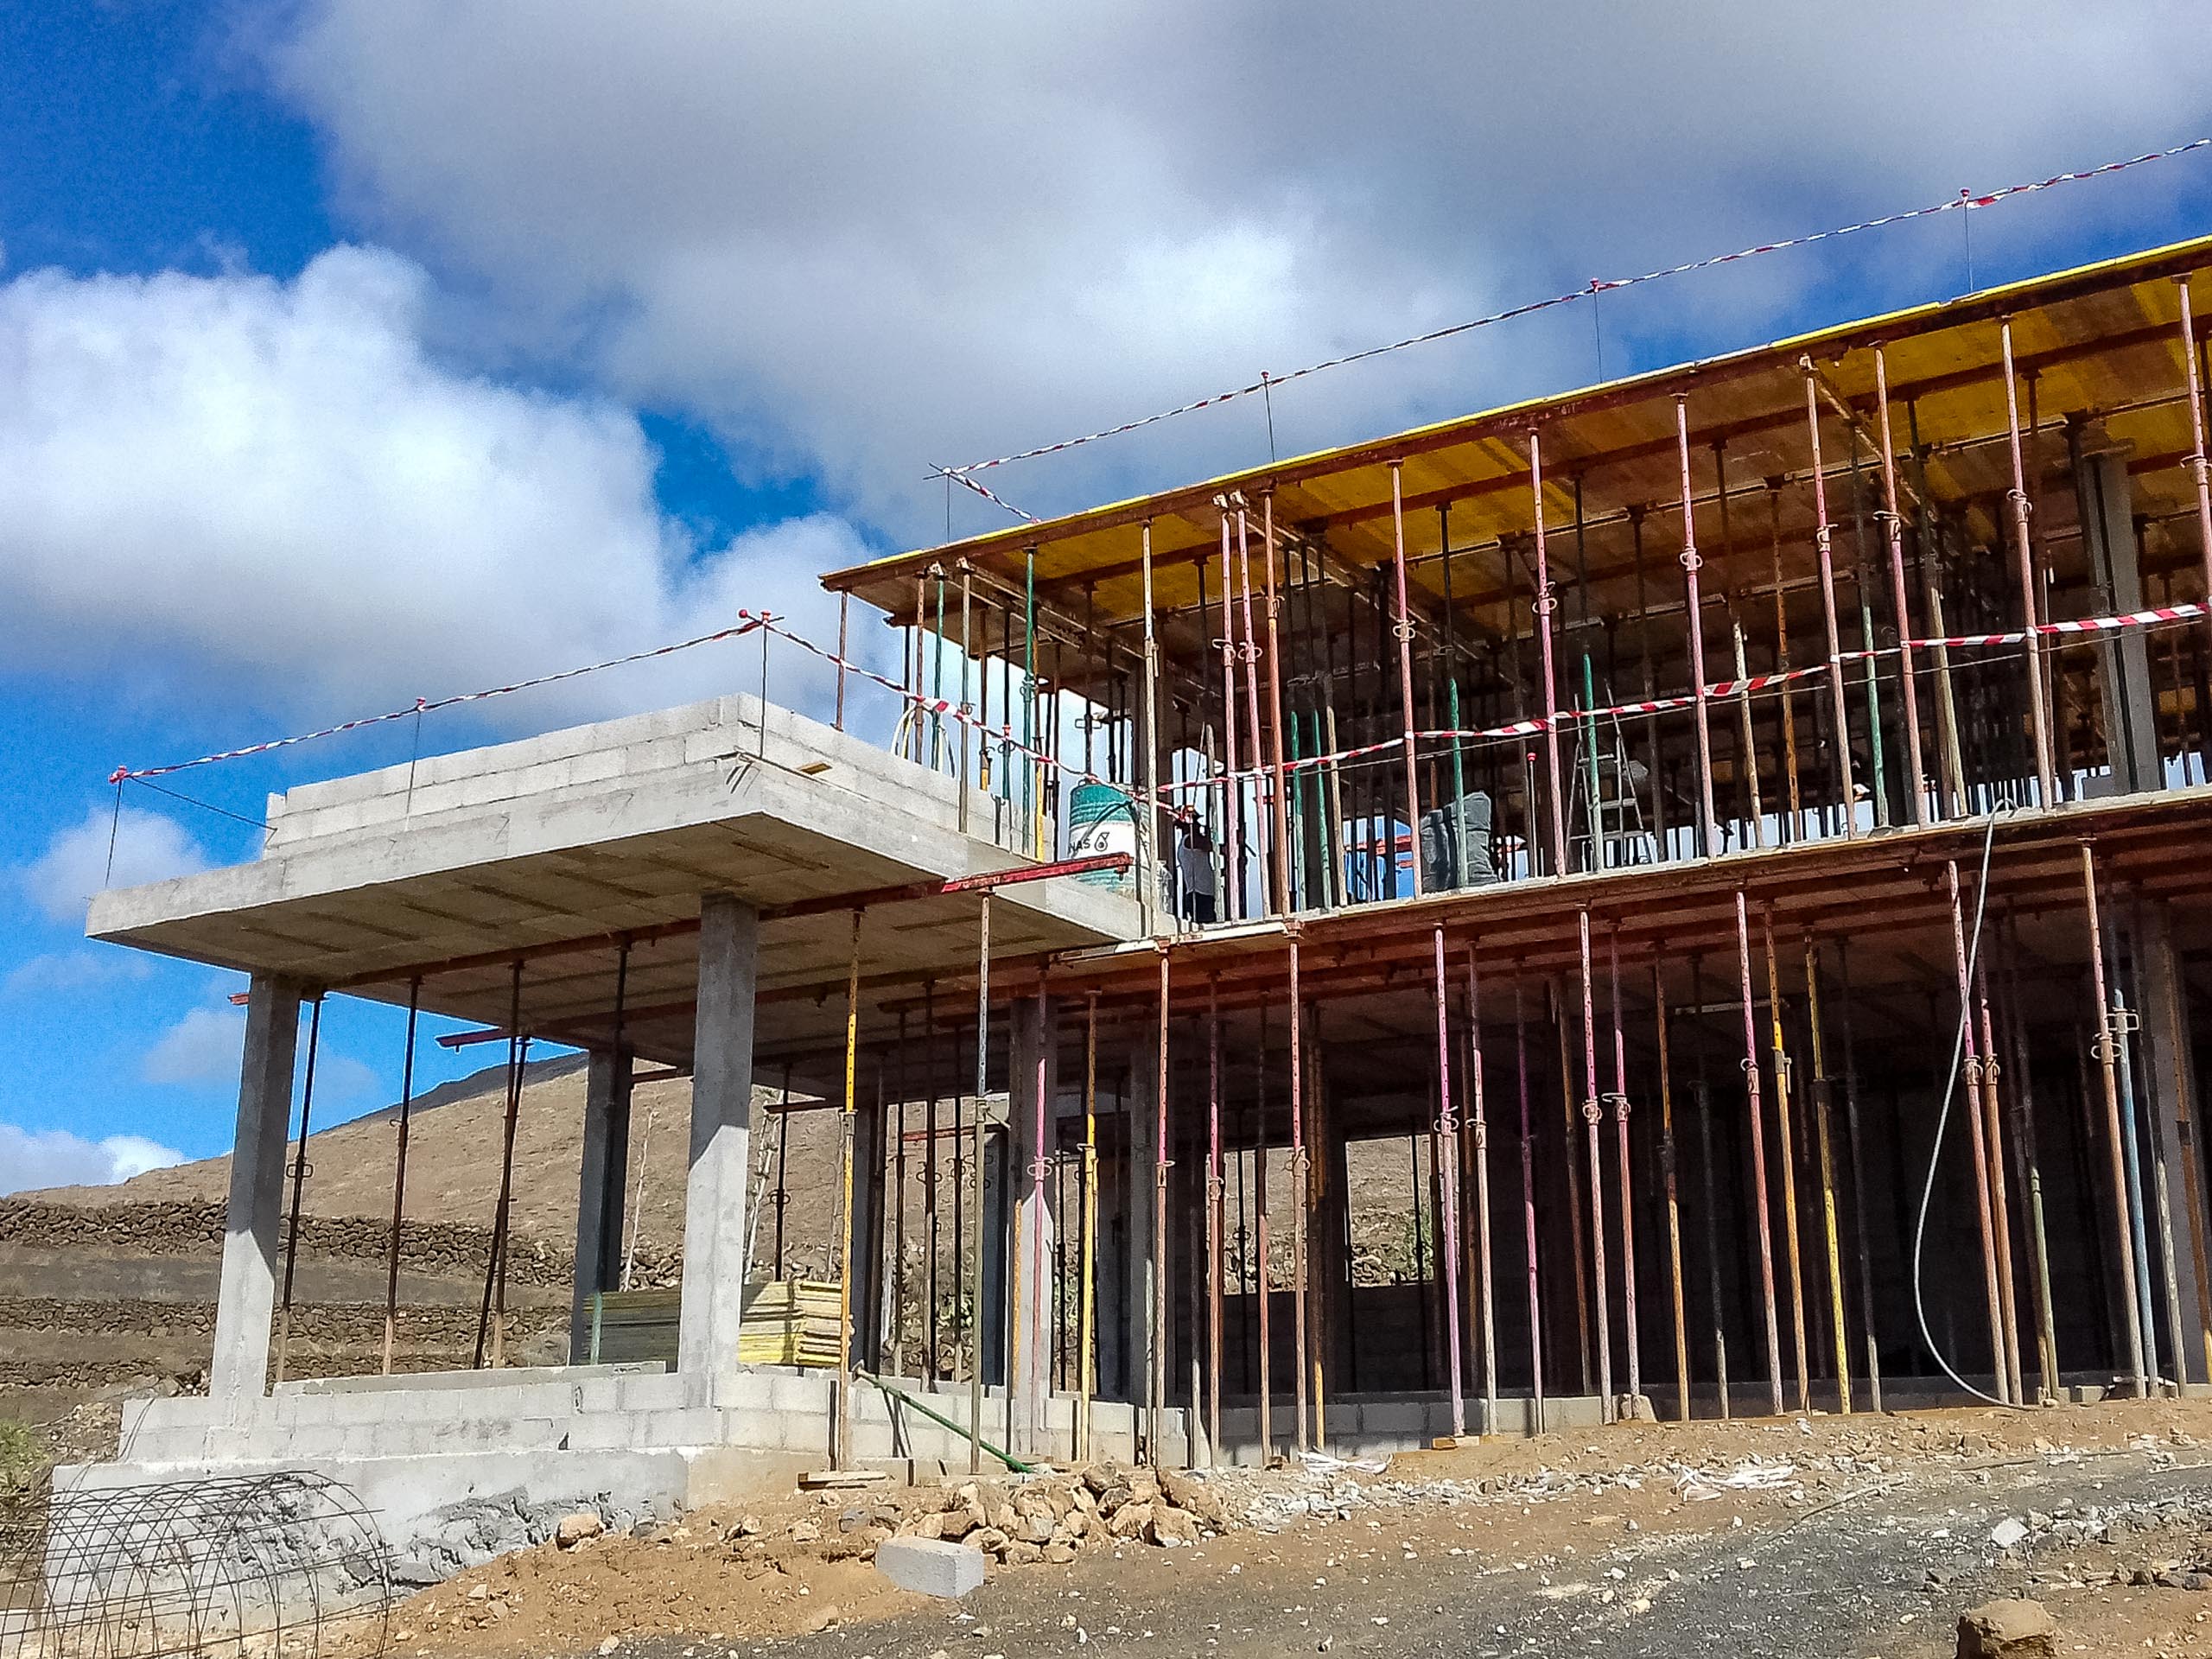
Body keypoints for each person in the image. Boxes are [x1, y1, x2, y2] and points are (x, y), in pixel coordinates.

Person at [1174, 807, 1218, 925]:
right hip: (1199, 894)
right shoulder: (1190, 840)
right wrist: (1210, 834)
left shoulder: (1187, 842)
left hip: (1201, 893)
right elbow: (1209, 846)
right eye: (1195, 821)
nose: (1198, 824)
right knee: (1207, 927)